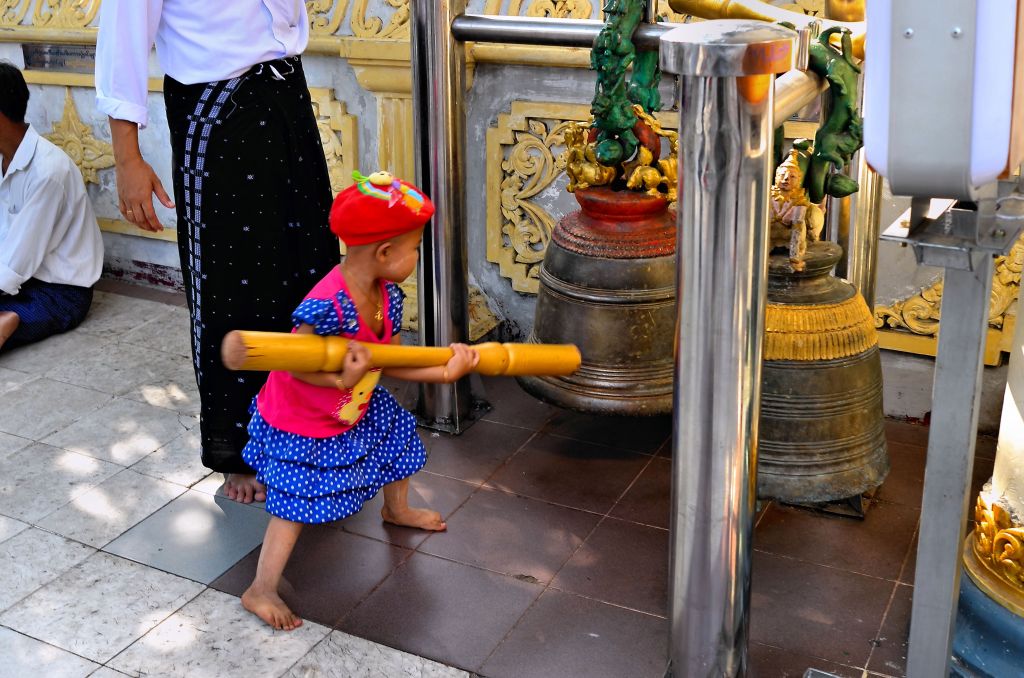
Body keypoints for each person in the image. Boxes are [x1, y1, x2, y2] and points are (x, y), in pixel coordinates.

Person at [95, 2, 340, 503]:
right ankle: (240, 450)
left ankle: (311, 422)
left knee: (309, 265)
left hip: (286, 91)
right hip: (217, 108)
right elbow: (121, 40)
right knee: (232, 284)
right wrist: (128, 160)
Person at [239, 171, 478, 630]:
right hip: (305, 419)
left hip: (354, 401)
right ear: (385, 253)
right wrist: (336, 378)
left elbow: (388, 360)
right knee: (294, 504)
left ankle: (397, 509)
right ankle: (261, 587)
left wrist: (445, 369)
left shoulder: (383, 292)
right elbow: (294, 362)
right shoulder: (327, 303)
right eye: (414, 248)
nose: (416, 256)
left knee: (396, 443)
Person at [0, 63, 103, 351]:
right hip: (18, 275)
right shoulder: (4, 158)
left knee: (34, 304)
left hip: (58, 291)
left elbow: (16, 262)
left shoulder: (48, 173)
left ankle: (12, 319)